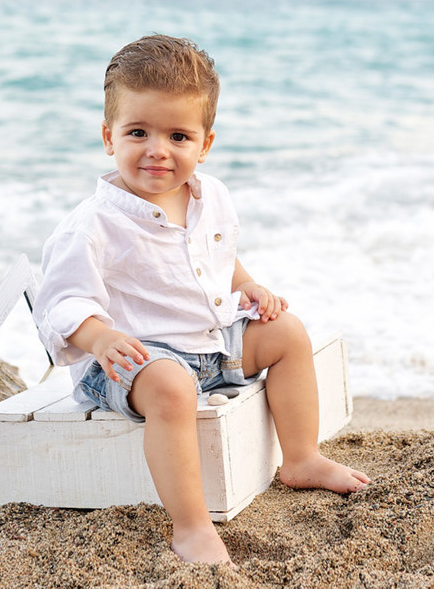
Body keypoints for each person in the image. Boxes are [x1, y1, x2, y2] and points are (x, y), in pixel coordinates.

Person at [34, 34, 370, 565]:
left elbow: (217, 259)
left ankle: (301, 457)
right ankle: (190, 526)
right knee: (170, 385)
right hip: (134, 360)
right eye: (138, 131)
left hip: (210, 343)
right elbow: (61, 303)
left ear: (204, 144)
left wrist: (248, 286)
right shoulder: (92, 224)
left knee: (288, 332)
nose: (157, 149)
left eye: (179, 136)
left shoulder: (210, 196)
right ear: (108, 136)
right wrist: (100, 337)